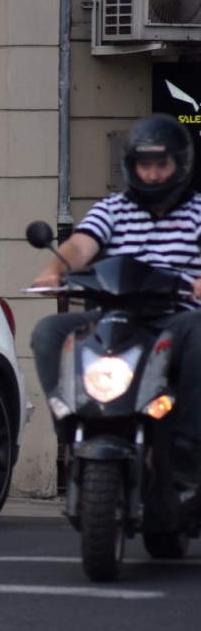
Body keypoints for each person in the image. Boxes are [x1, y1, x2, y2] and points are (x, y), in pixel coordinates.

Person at [30, 113, 201, 489]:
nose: (153, 174)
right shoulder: (113, 208)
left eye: (162, 164)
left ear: (181, 165)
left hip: (174, 321)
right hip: (114, 321)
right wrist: (54, 271)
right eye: (145, 165)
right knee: (48, 332)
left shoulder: (197, 211)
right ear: (131, 167)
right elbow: (81, 244)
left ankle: (187, 445)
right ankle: (69, 418)